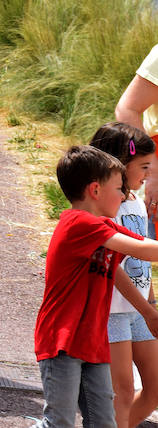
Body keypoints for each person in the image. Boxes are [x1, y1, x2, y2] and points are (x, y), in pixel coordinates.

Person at [33, 146, 158, 428]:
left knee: (104, 423)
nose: (124, 195)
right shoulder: (80, 223)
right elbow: (143, 249)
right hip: (62, 341)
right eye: (118, 188)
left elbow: (145, 247)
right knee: (59, 423)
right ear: (95, 190)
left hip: (93, 341)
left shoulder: (104, 226)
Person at [88, 123, 158, 428]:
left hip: (140, 311)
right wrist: (146, 309)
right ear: (119, 163)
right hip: (112, 312)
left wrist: (150, 303)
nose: (147, 175)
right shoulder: (104, 207)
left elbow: (142, 261)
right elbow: (110, 267)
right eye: (143, 167)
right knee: (123, 392)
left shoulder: (135, 203)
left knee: (154, 389)